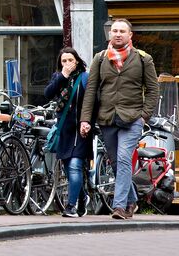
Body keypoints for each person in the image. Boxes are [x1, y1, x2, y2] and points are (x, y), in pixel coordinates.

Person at [79, 18, 159, 220]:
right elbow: (91, 90)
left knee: (124, 159)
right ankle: (132, 201)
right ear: (110, 34)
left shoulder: (143, 59)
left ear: (130, 35)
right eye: (114, 30)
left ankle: (119, 207)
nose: (117, 34)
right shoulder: (100, 58)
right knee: (116, 163)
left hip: (132, 119)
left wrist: (144, 117)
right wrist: (85, 119)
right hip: (107, 119)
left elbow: (153, 90)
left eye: (122, 31)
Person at [44, 47, 90, 217]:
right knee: (68, 168)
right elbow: (48, 94)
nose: (67, 63)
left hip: (81, 129)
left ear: (76, 60)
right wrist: (62, 76)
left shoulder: (85, 78)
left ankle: (70, 206)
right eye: (64, 61)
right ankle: (82, 197)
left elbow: (92, 101)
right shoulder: (58, 78)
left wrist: (88, 122)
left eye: (70, 60)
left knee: (75, 166)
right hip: (64, 128)